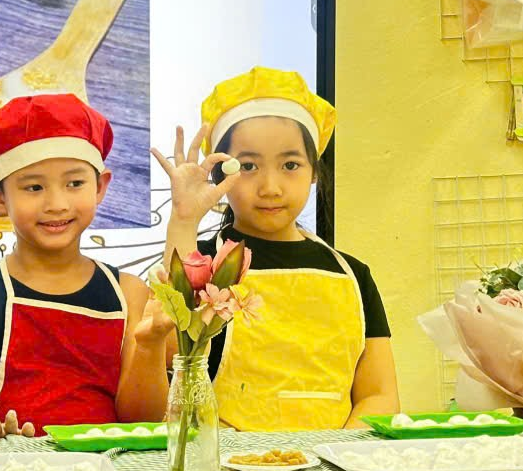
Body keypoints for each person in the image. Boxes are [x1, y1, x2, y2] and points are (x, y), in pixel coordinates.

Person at [155, 66, 398, 430]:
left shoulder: (354, 276)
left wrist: (336, 456)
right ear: (220, 174)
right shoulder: (201, 259)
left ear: (314, 171)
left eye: (290, 165)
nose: (271, 186)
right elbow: (175, 363)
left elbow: (379, 395)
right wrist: (182, 220)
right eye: (248, 166)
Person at [0, 94, 171, 437]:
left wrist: (151, 347)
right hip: (13, 469)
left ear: (101, 187)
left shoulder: (130, 295)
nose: (56, 203)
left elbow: (143, 420)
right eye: (34, 187)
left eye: (74, 183)